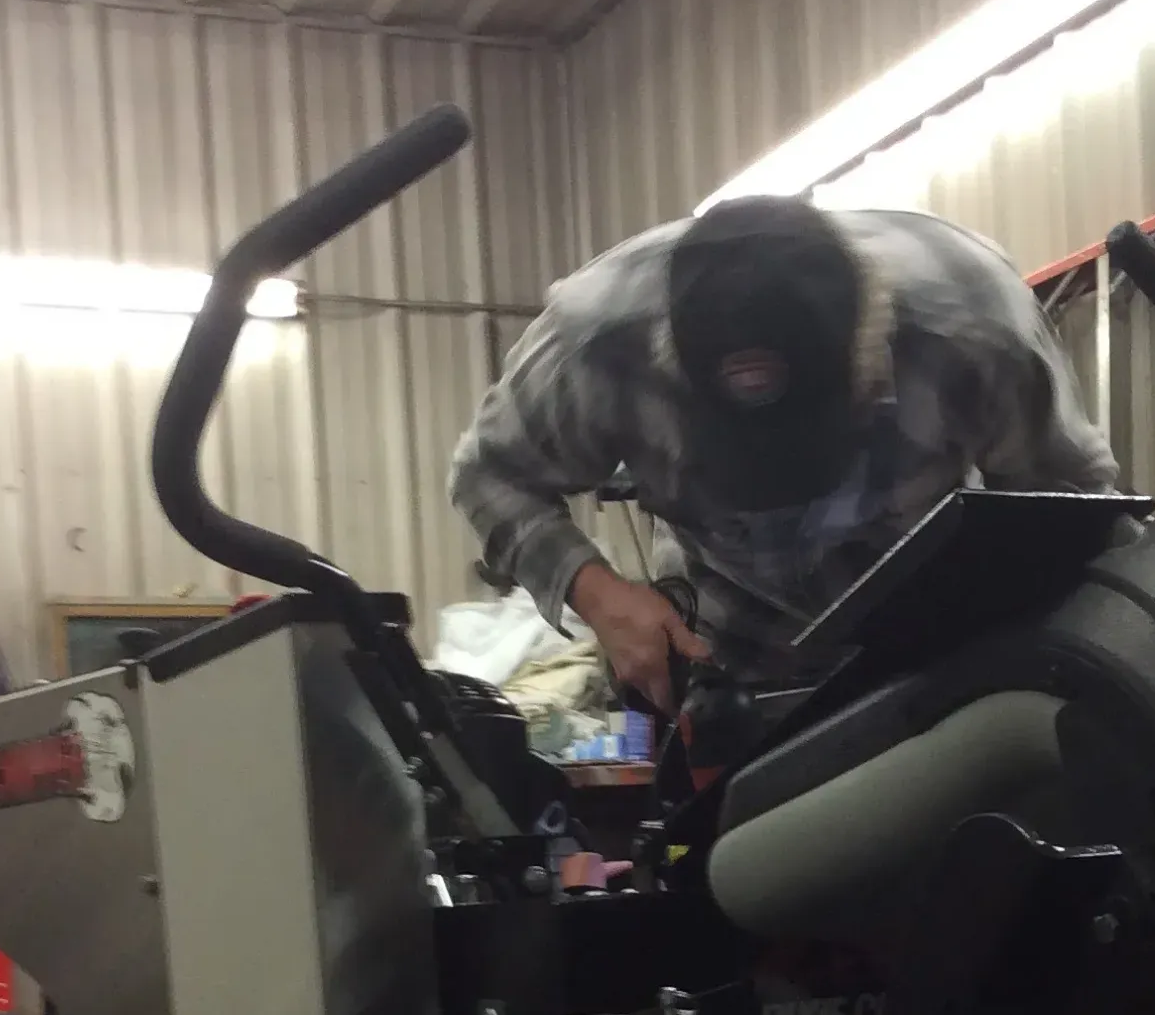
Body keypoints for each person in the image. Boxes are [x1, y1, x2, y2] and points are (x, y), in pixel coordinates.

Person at [449, 194, 1118, 715]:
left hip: (933, 655)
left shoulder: (971, 325)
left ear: (871, 344)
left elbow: (1071, 501)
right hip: (729, 659)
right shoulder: (594, 346)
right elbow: (489, 474)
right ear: (672, 361)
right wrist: (599, 595)